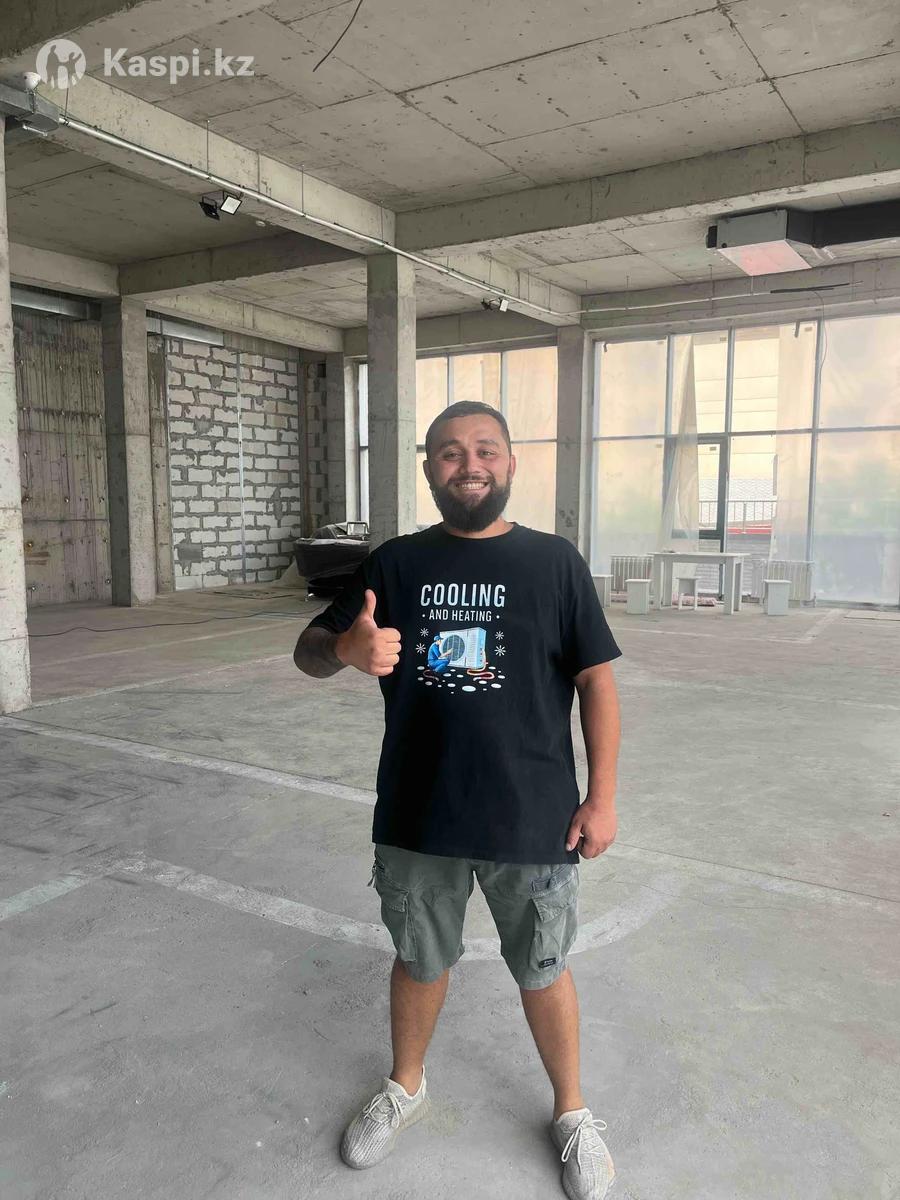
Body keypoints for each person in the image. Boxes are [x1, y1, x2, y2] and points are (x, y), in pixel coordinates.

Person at [293, 399, 622, 1199]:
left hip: (533, 815)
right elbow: (308, 650)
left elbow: (596, 682)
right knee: (418, 958)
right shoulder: (396, 564)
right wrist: (346, 648)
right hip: (419, 815)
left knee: (543, 967)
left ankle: (572, 1111)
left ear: (510, 462)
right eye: (449, 452)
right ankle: (405, 1087)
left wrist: (602, 798)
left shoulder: (555, 562)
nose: (468, 464)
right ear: (429, 469)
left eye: (484, 449)